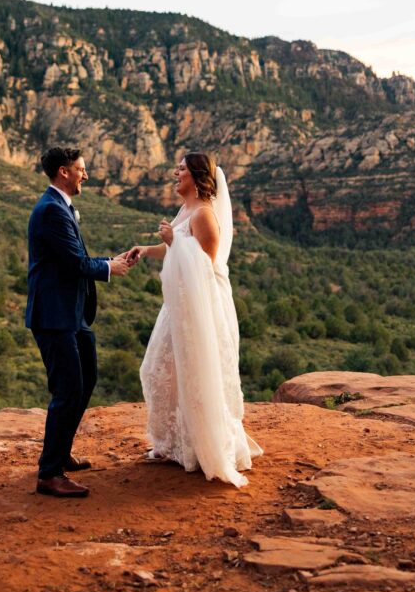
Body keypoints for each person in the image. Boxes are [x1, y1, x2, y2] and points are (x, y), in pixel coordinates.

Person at [128, 152, 262, 488]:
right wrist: (146, 249)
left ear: (198, 177)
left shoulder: (204, 215)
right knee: (162, 368)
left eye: (182, 169)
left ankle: (203, 447)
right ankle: (173, 443)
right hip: (180, 304)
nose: (176, 173)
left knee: (198, 370)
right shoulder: (186, 210)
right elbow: (175, 247)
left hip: (202, 308)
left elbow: (206, 264)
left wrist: (174, 241)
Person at [26, 146, 132, 498]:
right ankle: (49, 473)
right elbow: (75, 264)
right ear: (64, 172)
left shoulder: (60, 208)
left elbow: (75, 259)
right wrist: (109, 267)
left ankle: (61, 452)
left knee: (86, 381)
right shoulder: (52, 211)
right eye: (81, 169)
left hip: (73, 314)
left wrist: (110, 261)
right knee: (68, 389)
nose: (86, 175)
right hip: (55, 316)